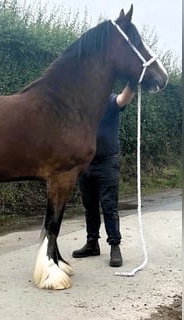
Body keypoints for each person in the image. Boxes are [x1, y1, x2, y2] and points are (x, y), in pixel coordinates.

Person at [72, 83, 135, 267]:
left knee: (109, 206)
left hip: (107, 163)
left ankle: (115, 246)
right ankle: (92, 244)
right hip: (85, 164)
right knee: (89, 207)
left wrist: (132, 82)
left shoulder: (109, 101)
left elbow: (124, 98)